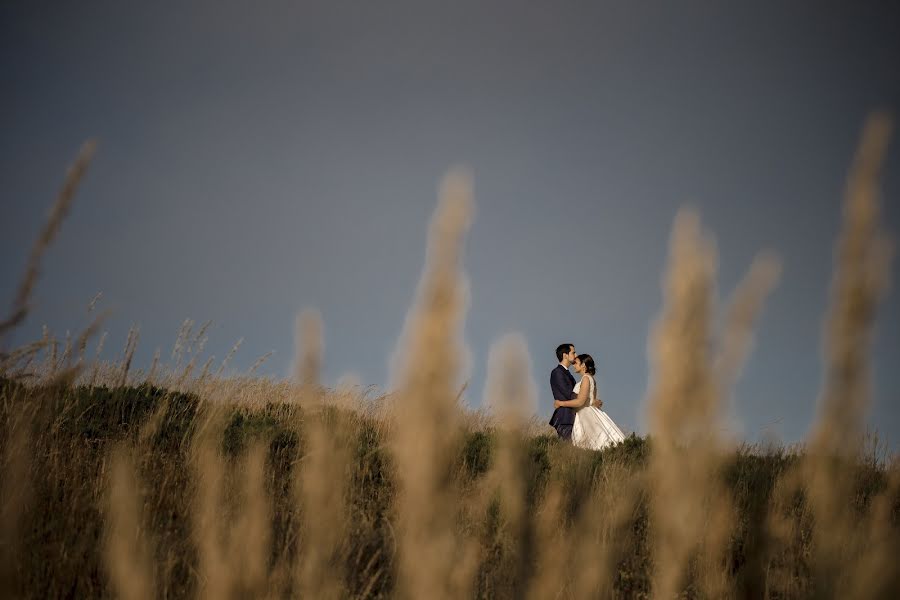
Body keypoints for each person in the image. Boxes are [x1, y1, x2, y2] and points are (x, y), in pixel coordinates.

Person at [554, 353, 626, 450]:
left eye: (576, 363)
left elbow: (580, 402)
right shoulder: (590, 379)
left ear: (583, 365)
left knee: (590, 443)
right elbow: (591, 400)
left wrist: (561, 403)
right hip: (589, 411)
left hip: (586, 414)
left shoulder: (586, 379)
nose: (573, 365)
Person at [549, 343, 578, 440]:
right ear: (565, 355)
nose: (576, 355)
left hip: (571, 417)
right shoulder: (557, 372)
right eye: (573, 353)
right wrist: (587, 399)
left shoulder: (566, 373)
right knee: (569, 449)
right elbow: (569, 394)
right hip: (565, 418)